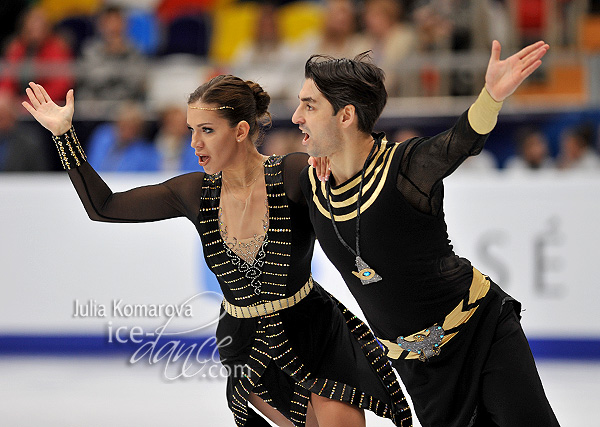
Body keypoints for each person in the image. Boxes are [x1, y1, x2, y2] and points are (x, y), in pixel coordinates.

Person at [22, 77, 412, 427]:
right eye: (192, 130)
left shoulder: (293, 173)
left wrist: (335, 155)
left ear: (241, 130)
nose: (194, 143)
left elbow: (356, 199)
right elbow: (103, 207)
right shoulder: (193, 193)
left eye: (207, 130)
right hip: (248, 346)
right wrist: (63, 134)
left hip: (315, 332)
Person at [293, 41, 560, 426]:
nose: (298, 115)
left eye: (310, 105)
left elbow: (458, 143)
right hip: (418, 368)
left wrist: (491, 97)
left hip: (480, 332)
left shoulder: (405, 167)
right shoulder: (310, 183)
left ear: (346, 115)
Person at [0, 5, 73, 101]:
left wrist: (32, 101)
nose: (35, 32)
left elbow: (61, 85)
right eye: (31, 27)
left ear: (47, 28)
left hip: (48, 103)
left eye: (39, 27)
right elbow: (7, 80)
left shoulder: (58, 48)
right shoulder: (16, 48)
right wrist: (8, 97)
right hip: (17, 102)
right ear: (24, 28)